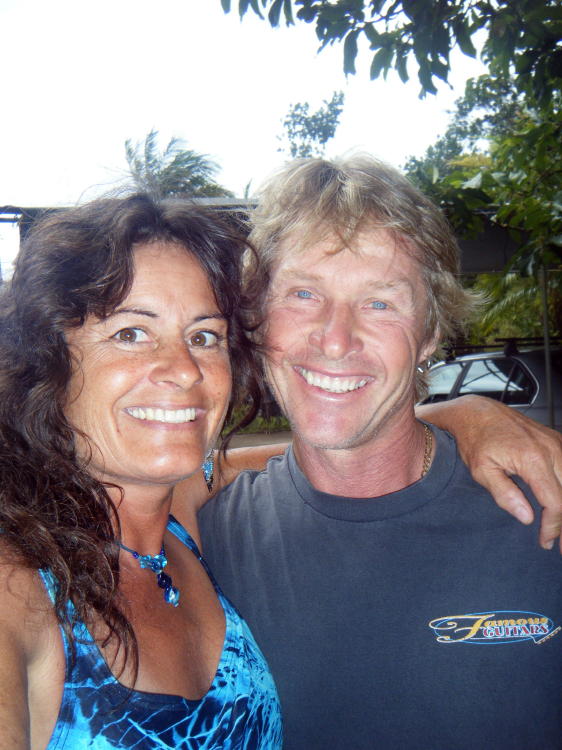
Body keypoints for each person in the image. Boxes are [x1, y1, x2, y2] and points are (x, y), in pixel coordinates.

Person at [193, 156, 562, 749]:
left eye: (381, 303)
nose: (336, 339)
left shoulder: (545, 505)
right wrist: (465, 411)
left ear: (431, 333)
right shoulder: (204, 536)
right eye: (303, 293)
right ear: (259, 320)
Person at [0, 195, 283, 749]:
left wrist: (442, 423)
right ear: (47, 362)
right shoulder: (18, 581)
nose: (184, 369)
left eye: (204, 336)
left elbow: (249, 463)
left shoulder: (177, 521)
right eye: (131, 333)